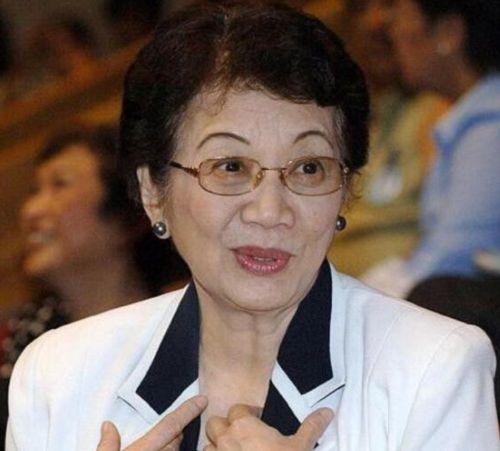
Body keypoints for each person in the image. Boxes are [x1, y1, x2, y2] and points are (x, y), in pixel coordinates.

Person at [7, 2, 499, 450]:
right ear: (153, 192)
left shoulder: (434, 367)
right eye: (230, 167)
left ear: (346, 187)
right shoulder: (59, 377)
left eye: (308, 168)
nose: (270, 211)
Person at [0, 125, 190, 444]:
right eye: (35, 191)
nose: (30, 211)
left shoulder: (186, 322)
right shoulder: (23, 349)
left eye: (59, 185)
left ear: (126, 212)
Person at [362, 0, 500, 297]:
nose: (392, 31)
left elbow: (450, 258)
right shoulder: (475, 117)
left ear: (449, 32)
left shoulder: (490, 126)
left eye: (402, 15)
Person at [327, 0, 448, 276]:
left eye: (391, 5)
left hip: (404, 293)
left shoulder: (441, 114)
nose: (376, 22)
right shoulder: (352, 118)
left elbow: (448, 243)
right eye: (360, 8)